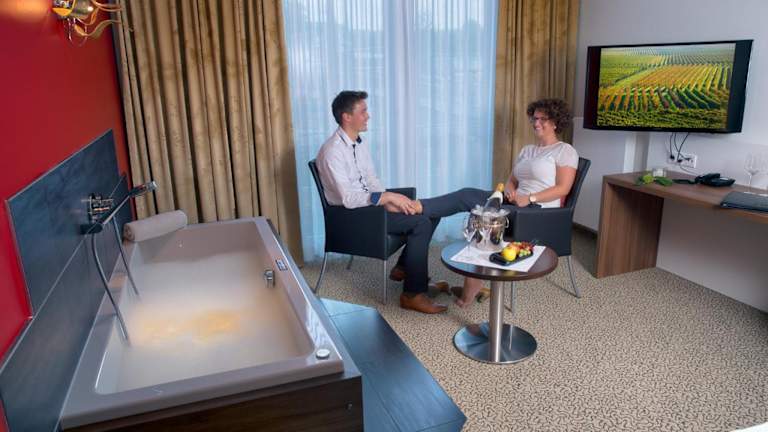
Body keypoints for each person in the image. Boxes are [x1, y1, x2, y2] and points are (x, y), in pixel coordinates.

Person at [315, 90, 449, 314]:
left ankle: (405, 269)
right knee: (421, 222)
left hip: (370, 208)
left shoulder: (358, 143)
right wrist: (386, 198)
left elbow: (371, 180)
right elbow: (348, 199)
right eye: (363, 111)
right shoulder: (332, 152)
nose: (368, 116)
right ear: (347, 117)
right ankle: (412, 294)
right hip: (352, 217)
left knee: (430, 211)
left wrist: (387, 200)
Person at [451, 98, 579, 306]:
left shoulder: (564, 151)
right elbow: (511, 180)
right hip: (516, 205)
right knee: (471, 201)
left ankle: (473, 285)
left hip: (540, 211)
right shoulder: (527, 150)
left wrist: (529, 198)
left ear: (555, 122)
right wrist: (511, 191)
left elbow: (563, 188)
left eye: (543, 119)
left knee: (486, 220)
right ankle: (422, 208)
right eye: (534, 119)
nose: (536, 123)